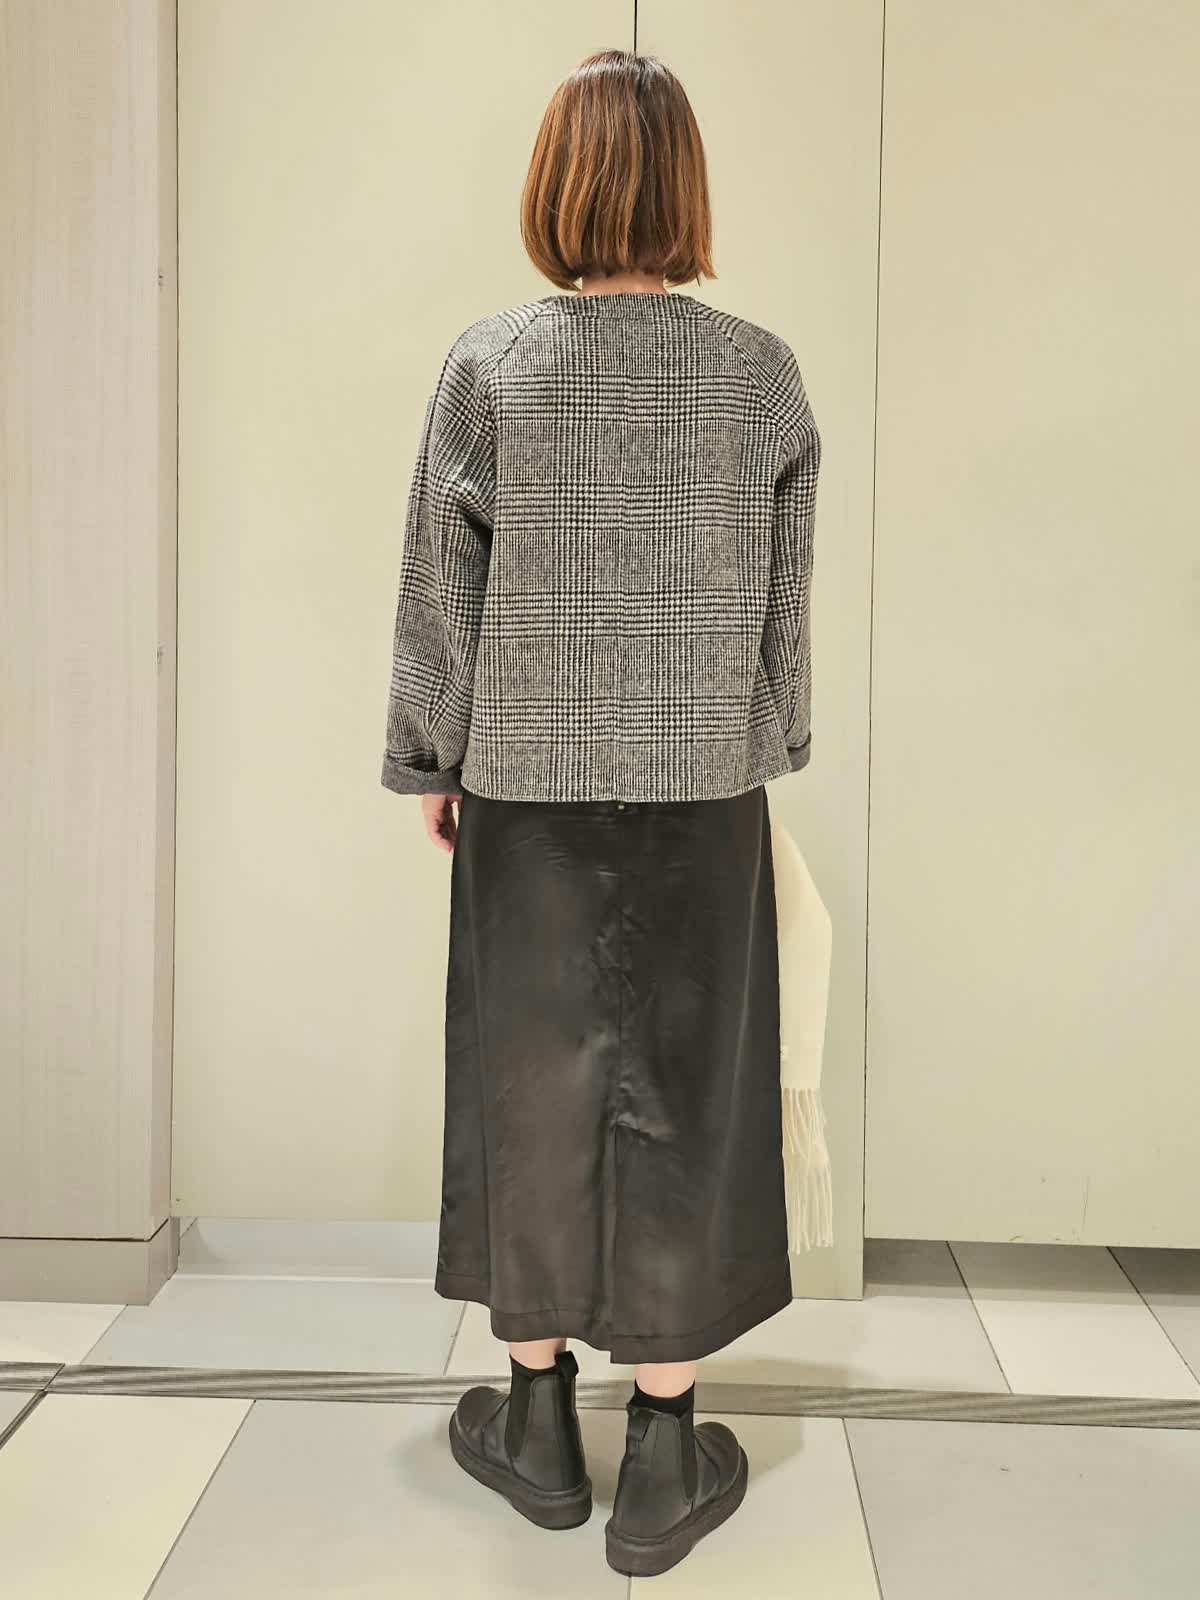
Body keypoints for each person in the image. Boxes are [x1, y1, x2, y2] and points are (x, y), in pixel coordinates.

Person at [380, 46, 821, 1579]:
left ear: (554, 188)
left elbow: (439, 590)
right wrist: (759, 744)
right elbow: (783, 613)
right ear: (686, 188)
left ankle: (536, 1422)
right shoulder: (761, 373)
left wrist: (436, 760)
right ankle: (666, 1447)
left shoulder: (489, 365)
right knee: (688, 1089)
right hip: (702, 792)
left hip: (527, 796)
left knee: (531, 1084)